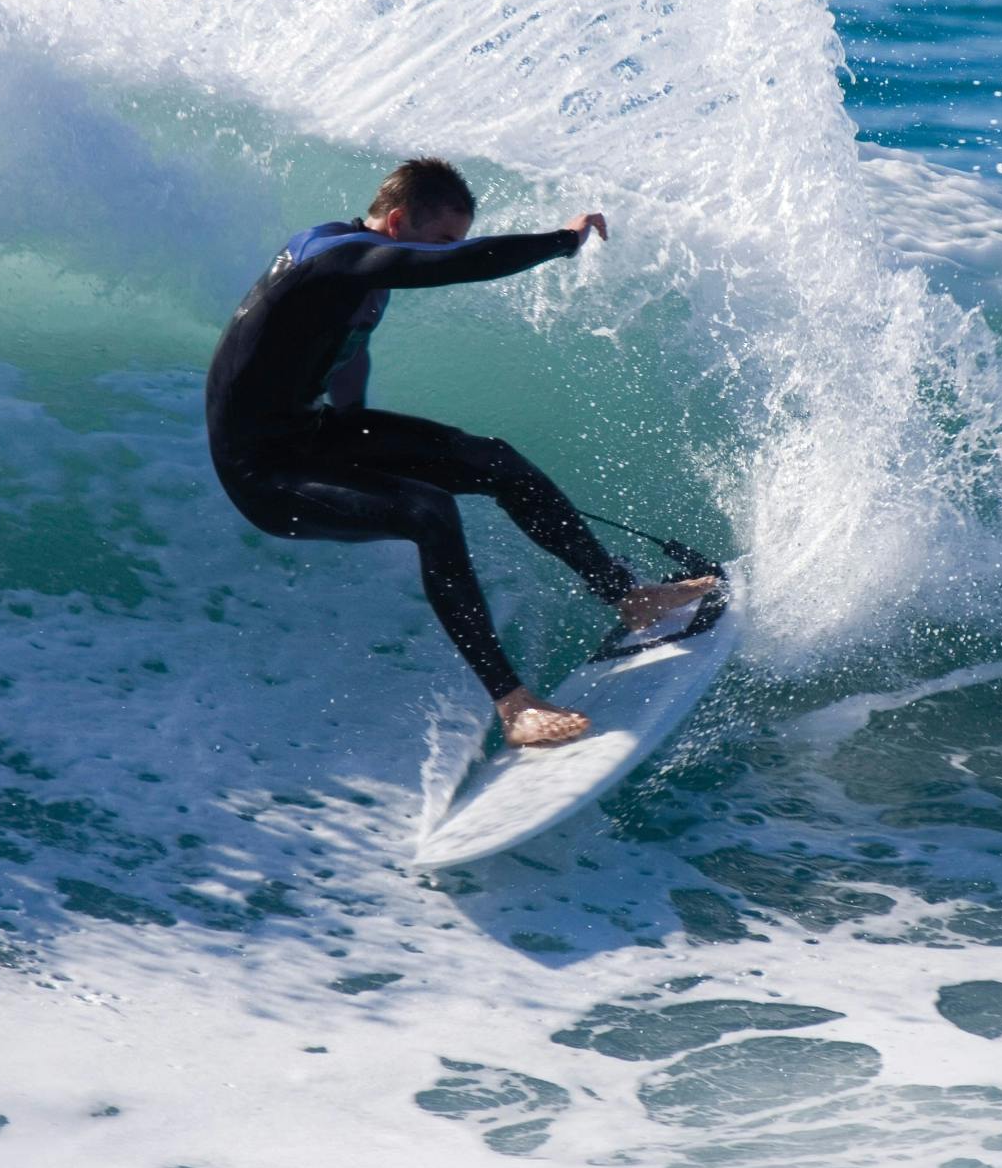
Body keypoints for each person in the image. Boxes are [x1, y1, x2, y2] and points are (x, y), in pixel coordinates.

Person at [205, 157, 716, 746]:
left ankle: (629, 597)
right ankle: (515, 707)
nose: (446, 253)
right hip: (263, 475)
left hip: (313, 435)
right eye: (442, 240)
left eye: (454, 241)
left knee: (496, 462)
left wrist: (356, 428)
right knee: (429, 513)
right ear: (398, 222)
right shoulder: (335, 258)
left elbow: (347, 344)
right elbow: (465, 264)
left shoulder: (352, 271)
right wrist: (563, 240)